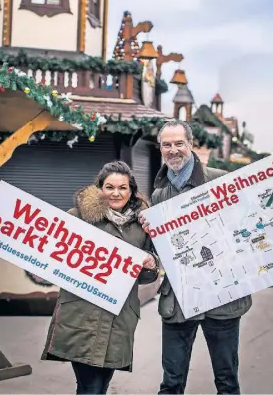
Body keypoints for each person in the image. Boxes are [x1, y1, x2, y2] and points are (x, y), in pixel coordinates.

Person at [140, 120, 252, 395]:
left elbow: (246, 227)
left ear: (191, 145)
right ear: (160, 149)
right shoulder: (159, 194)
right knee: (171, 383)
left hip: (221, 298)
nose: (173, 150)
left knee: (227, 382)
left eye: (179, 143)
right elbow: (160, 250)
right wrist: (150, 236)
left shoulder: (220, 181)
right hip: (178, 301)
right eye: (167, 144)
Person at [42, 160, 159, 395]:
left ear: (131, 191)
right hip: (81, 315)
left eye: (122, 187)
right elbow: (54, 255)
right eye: (110, 187)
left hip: (119, 318)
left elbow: (148, 277)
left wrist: (150, 263)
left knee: (100, 387)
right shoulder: (77, 217)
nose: (116, 193)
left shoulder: (143, 225)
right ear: (100, 188)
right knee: (90, 387)